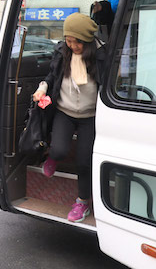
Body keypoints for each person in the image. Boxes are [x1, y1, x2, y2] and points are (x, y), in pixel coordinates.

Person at [32, 13, 106, 223]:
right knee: (59, 149)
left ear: (88, 40)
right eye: (68, 40)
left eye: (77, 42)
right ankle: (53, 157)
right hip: (64, 111)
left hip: (90, 116)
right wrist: (43, 88)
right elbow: (50, 77)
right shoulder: (61, 52)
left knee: (84, 162)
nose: (71, 45)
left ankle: (82, 202)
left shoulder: (101, 57)